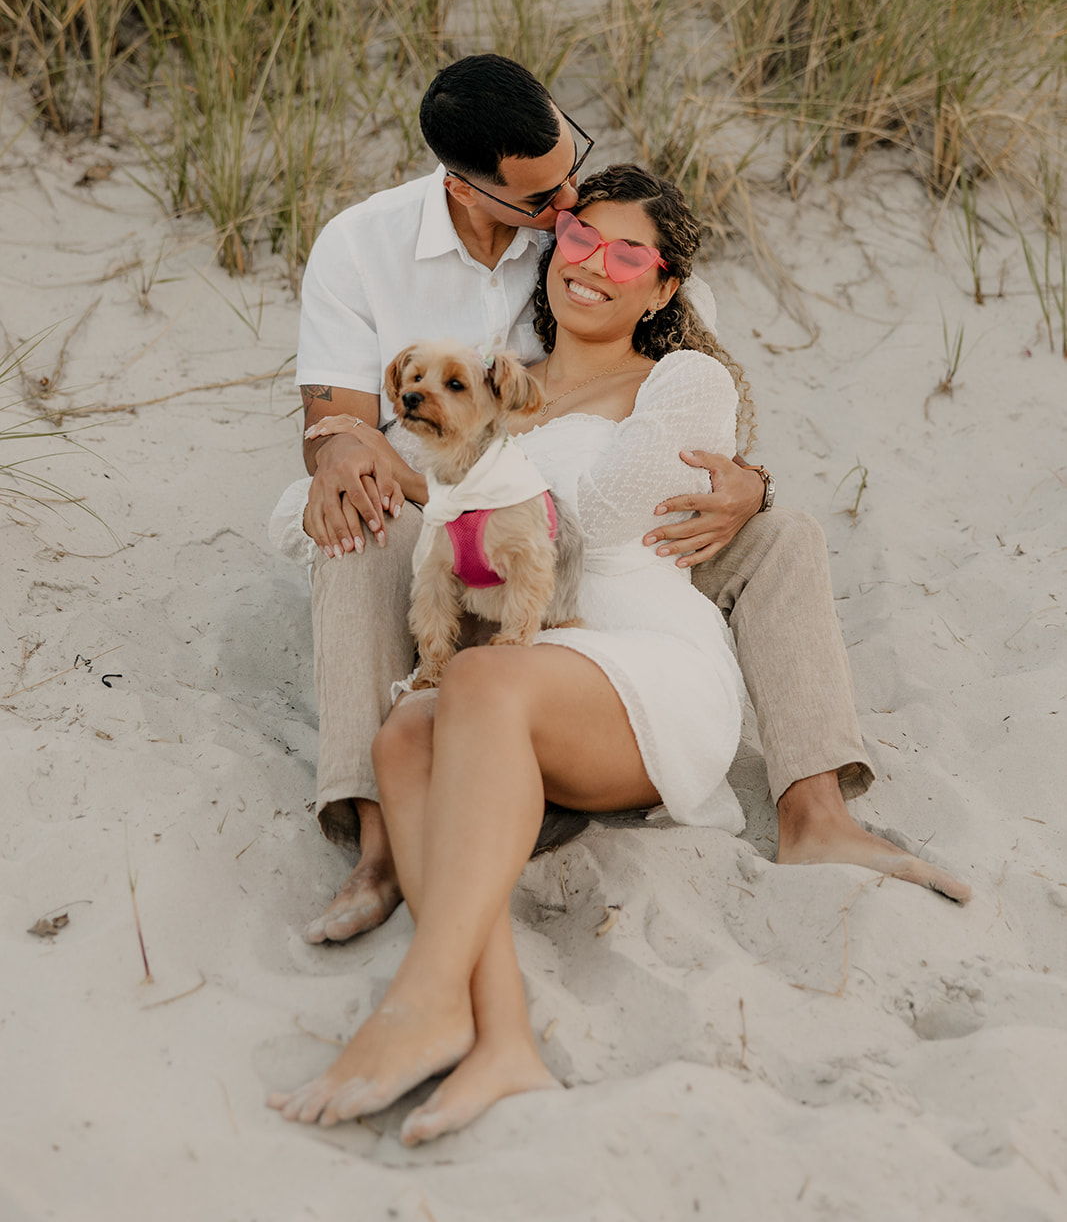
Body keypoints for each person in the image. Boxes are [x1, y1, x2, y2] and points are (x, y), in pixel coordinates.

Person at [285, 55, 968, 947]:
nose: (567, 205)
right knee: (366, 526)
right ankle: (379, 845)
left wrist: (751, 486)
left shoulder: (596, 226)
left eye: (575, 162)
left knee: (785, 533)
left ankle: (815, 811)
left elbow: (693, 405)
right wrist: (338, 447)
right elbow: (344, 421)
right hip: (466, 511)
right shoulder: (362, 247)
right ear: (465, 188)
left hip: (609, 528)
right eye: (545, 206)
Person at [268, 168, 761, 1139]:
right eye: (580, 238)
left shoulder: (674, 383)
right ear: (554, 247)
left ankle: (414, 998)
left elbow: (599, 513)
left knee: (477, 672)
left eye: (630, 254)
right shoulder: (487, 376)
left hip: (642, 662)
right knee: (408, 729)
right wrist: (346, 450)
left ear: (663, 289)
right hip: (526, 674)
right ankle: (495, 1035)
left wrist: (745, 479)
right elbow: (389, 497)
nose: (593, 265)